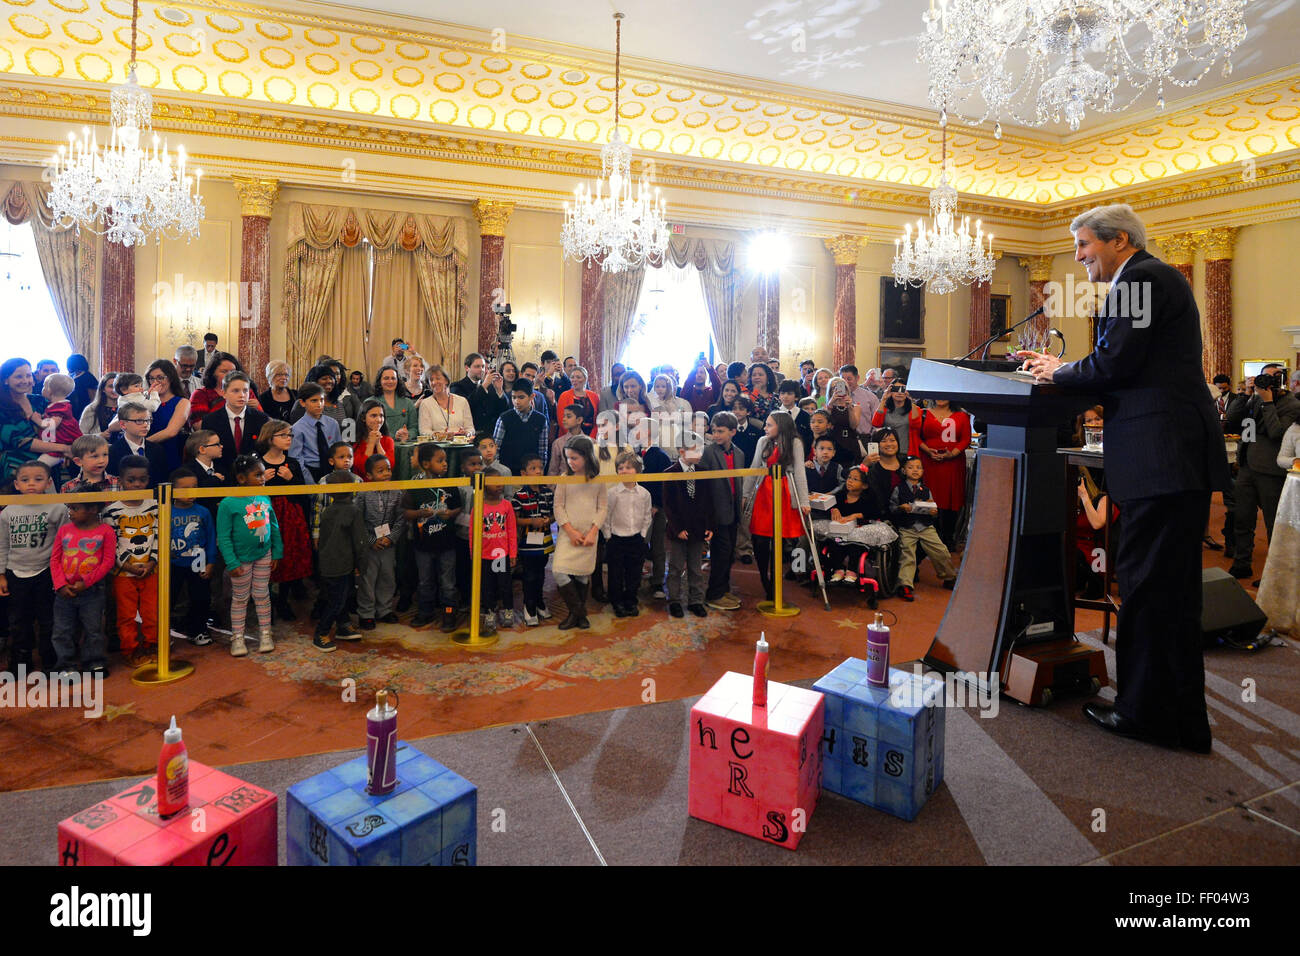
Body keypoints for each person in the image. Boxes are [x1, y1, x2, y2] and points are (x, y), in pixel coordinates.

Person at [1016, 202, 1230, 753]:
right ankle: (1177, 718)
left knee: (1148, 588)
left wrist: (1057, 370)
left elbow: (1112, 366)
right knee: (1166, 592)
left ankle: (1149, 716)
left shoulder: (1141, 279)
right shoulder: (1150, 279)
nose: (1080, 256)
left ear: (1118, 240)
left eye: (1085, 245)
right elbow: (1122, 364)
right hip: (1171, 458)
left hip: (1162, 458)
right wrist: (1060, 371)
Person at [1223, 363, 1299, 578]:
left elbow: (1277, 433)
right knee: (1242, 519)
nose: (1268, 382)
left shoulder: (1291, 405)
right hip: (1247, 467)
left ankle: (1277, 574)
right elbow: (1235, 421)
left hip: (1271, 472)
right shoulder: (1254, 399)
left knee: (1274, 524)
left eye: (1274, 378)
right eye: (1264, 377)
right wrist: (1245, 394)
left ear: (1283, 380)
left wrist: (1267, 403)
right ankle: (1241, 563)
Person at [0, 460, 66, 671]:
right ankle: (20, 662)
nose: (31, 484)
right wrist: (1, 574)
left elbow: (64, 544)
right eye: (25, 480)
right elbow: (2, 545)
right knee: (19, 620)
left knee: (49, 619)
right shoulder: (8, 512)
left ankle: (50, 661)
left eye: (38, 480)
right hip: (15, 573)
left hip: (46, 572)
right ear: (17, 484)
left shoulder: (58, 508)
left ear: (48, 482)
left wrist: (61, 573)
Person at [217, 455, 282, 657]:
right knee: (240, 598)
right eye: (258, 475)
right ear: (242, 478)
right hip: (240, 559)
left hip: (264, 554)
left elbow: (274, 526)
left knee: (262, 595)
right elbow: (224, 537)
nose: (263, 478)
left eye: (263, 474)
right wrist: (231, 561)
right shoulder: (228, 503)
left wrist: (277, 551)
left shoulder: (264, 497)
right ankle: (237, 637)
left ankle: (265, 633)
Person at [743, 410, 810, 603]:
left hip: (784, 490)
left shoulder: (795, 442)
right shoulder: (763, 441)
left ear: (781, 426)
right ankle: (765, 579)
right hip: (764, 492)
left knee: (779, 540)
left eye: (769, 424)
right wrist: (746, 494)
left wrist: (803, 502)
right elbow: (754, 467)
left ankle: (777, 580)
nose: (765, 427)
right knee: (760, 539)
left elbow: (799, 472)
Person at [103, 457, 160, 666]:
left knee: (152, 613)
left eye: (142, 480)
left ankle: (152, 645)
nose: (137, 484)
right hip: (123, 574)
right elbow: (112, 544)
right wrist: (127, 566)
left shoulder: (155, 506)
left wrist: (152, 563)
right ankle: (131, 650)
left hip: (151, 571)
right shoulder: (111, 511)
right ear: (121, 481)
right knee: (126, 615)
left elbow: (159, 536)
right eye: (131, 480)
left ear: (148, 480)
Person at [50, 500, 115, 677]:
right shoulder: (64, 530)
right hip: (64, 592)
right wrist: (60, 585)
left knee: (93, 629)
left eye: (75, 508)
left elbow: (108, 562)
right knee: (62, 630)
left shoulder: (106, 531)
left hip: (92, 591)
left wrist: (86, 582)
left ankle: (94, 662)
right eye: (69, 507)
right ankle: (66, 666)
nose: (70, 512)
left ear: (93, 509)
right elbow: (55, 559)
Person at [256, 419, 311, 620]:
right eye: (284, 435)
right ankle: (267, 599)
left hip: (290, 515)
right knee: (265, 557)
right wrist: (263, 482)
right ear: (270, 438)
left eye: (290, 435)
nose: (289, 439)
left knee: (288, 556)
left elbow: (301, 494)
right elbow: (246, 492)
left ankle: (283, 600)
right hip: (265, 513)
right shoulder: (257, 462)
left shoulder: (293, 463)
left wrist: (291, 479)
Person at [403, 443, 462, 631]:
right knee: (425, 581)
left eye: (445, 460)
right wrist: (419, 512)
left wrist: (451, 514)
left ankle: (449, 613)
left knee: (448, 582)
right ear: (426, 464)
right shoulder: (415, 486)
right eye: (440, 461)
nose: (445, 464)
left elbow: (458, 507)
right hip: (423, 545)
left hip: (447, 544)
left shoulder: (450, 484)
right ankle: (425, 611)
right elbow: (405, 512)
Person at [552, 435, 608, 630]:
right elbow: (558, 507)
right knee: (559, 571)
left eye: (574, 458)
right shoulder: (564, 479)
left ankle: (575, 615)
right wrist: (570, 531)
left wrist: (593, 531)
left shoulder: (598, 480)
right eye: (567, 458)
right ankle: (580, 613)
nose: (570, 462)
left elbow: (602, 508)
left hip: (589, 534)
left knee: (583, 574)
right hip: (569, 534)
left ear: (587, 456)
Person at [890, 456, 957, 601]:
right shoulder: (899, 489)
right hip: (907, 527)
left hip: (925, 526)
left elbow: (933, 509)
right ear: (903, 470)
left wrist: (933, 511)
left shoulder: (926, 490)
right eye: (911, 467)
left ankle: (949, 577)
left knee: (941, 551)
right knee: (907, 554)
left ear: (923, 471)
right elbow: (892, 508)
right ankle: (905, 585)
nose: (915, 470)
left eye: (918, 467)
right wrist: (901, 507)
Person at [315, 471, 367, 648]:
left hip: (327, 562)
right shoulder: (353, 511)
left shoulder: (328, 511)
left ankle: (343, 626)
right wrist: (362, 564)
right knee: (337, 601)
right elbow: (360, 542)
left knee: (341, 597)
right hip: (342, 564)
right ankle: (321, 633)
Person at [701, 411, 746, 611]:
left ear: (733, 432)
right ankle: (714, 594)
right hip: (716, 512)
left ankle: (723, 589)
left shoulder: (739, 453)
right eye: (714, 431)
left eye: (721, 431)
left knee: (729, 555)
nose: (716, 435)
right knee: (721, 553)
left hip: (733, 511)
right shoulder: (708, 452)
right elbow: (704, 485)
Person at [1, 359, 71, 488]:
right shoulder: (2, 407)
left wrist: (64, 452)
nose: (25, 381)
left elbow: (60, 428)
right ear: (6, 380)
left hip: (49, 463)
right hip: (14, 468)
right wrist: (63, 449)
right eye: (19, 376)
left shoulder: (39, 401)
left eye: (28, 375)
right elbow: (19, 441)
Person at [662, 439, 713, 618]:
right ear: (682, 452)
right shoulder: (669, 473)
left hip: (698, 528)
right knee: (675, 566)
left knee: (695, 567)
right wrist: (677, 529)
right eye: (695, 450)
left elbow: (708, 501)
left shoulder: (703, 473)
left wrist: (709, 525)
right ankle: (674, 600)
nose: (700, 454)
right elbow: (668, 505)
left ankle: (695, 601)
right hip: (679, 529)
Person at [168, 468, 216, 646]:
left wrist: (210, 562)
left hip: (198, 561)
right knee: (170, 598)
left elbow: (211, 537)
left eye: (194, 487)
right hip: (173, 563)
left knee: (201, 597)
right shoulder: (166, 511)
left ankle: (198, 629)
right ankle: (164, 633)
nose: (190, 492)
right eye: (184, 488)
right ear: (172, 489)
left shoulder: (203, 512)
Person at [603, 451, 652, 618]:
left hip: (636, 538)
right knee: (615, 573)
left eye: (629, 467)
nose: (624, 471)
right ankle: (616, 601)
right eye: (620, 468)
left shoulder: (644, 494)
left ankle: (631, 600)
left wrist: (643, 534)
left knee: (634, 572)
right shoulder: (612, 493)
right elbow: (606, 516)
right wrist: (608, 535)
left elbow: (647, 515)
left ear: (638, 470)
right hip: (616, 539)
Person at [918, 398, 972, 549]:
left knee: (951, 498)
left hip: (953, 463)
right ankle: (930, 539)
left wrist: (952, 453)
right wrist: (928, 451)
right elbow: (915, 436)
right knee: (930, 497)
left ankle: (948, 538)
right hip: (929, 463)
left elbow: (966, 438)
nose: (941, 397)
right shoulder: (923, 414)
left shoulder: (961, 415)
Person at [511, 452, 555, 626]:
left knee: (541, 573)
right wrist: (530, 521)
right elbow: (514, 519)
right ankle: (528, 606)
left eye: (540, 468)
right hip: (528, 543)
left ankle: (539, 602)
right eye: (533, 468)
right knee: (529, 575)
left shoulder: (547, 493)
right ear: (523, 473)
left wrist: (548, 520)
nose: (538, 472)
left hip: (544, 541)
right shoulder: (519, 495)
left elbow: (553, 515)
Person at [202, 371, 268, 480]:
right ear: (224, 393)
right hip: (222, 476)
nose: (242, 395)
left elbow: (264, 450)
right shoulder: (210, 420)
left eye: (245, 391)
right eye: (236, 391)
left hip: (253, 478)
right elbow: (208, 454)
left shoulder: (261, 419)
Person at [478, 478, 518, 634]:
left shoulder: (506, 506)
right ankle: (489, 613)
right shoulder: (479, 506)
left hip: (501, 555)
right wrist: (474, 555)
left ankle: (508, 610)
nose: (500, 484)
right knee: (487, 587)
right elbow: (473, 532)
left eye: (501, 481)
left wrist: (513, 553)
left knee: (504, 585)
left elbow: (512, 531)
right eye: (495, 482)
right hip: (485, 555)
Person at [826, 466, 877, 585]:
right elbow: (831, 507)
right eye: (849, 478)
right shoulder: (840, 496)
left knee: (855, 546)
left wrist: (856, 515)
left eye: (855, 479)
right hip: (841, 534)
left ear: (864, 485)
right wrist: (834, 510)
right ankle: (838, 570)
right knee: (834, 544)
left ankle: (852, 571)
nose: (850, 481)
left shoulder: (867, 500)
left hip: (859, 535)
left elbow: (874, 513)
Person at [107, 396, 168, 487]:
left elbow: (162, 479)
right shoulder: (113, 452)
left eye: (148, 420)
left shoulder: (157, 449)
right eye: (139, 421)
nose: (145, 425)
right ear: (123, 424)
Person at [492, 378, 549, 475]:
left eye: (521, 397)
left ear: (532, 397)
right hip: (507, 472)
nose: (517, 402)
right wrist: (499, 471)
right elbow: (496, 448)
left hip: (531, 474)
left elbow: (542, 451)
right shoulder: (504, 418)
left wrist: (539, 471)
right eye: (513, 397)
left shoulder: (541, 420)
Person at [143, 360, 191, 473]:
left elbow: (171, 432)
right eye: (151, 378)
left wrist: (142, 444)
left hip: (168, 452)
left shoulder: (182, 402)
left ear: (170, 378)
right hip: (144, 456)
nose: (155, 382)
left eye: (160, 378)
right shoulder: (144, 400)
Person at [289, 382, 341, 481]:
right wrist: (310, 483)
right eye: (314, 401)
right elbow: (296, 459)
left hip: (333, 469)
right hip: (311, 471)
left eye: (322, 400)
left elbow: (339, 450)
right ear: (302, 403)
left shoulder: (333, 424)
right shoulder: (297, 428)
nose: (319, 404)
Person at [36, 373, 81, 476]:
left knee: (39, 467)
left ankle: (49, 491)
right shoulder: (56, 405)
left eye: (44, 386)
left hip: (59, 446)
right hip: (57, 444)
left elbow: (52, 424)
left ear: (50, 390)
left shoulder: (60, 407)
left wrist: (37, 419)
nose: (42, 388)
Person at [451, 353, 508, 435]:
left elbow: (503, 410)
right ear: (467, 368)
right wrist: (484, 386)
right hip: (469, 433)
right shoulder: (457, 386)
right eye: (477, 366)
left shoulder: (491, 387)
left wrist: (499, 390)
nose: (481, 370)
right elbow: (466, 406)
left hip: (489, 433)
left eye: (483, 366)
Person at [871, 380, 923, 456]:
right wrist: (884, 399)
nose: (899, 392)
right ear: (891, 391)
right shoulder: (884, 408)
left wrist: (911, 399)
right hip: (887, 451)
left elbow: (916, 425)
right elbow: (876, 423)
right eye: (896, 389)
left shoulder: (915, 409)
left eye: (903, 389)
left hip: (907, 451)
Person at [418, 365, 473, 436]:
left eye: (438, 378)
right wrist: (440, 435)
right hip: (436, 445)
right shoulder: (425, 403)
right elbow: (424, 431)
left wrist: (467, 433)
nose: (434, 382)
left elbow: (470, 428)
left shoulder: (462, 401)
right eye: (431, 380)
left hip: (461, 444)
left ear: (446, 380)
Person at [823, 376, 864, 469]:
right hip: (833, 443)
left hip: (850, 443)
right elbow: (825, 425)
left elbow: (854, 426)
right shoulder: (827, 407)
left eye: (841, 387)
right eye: (834, 388)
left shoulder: (855, 407)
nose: (837, 390)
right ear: (830, 391)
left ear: (846, 389)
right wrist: (831, 403)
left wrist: (849, 407)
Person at [353, 399, 395, 479]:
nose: (379, 420)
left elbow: (389, 467)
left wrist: (378, 443)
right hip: (362, 487)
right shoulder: (355, 441)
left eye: (381, 416)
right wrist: (371, 444)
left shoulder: (388, 441)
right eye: (373, 416)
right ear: (363, 418)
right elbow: (363, 469)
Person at [555, 365, 600, 437]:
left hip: (591, 436)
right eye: (572, 377)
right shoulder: (564, 396)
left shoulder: (594, 396)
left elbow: (597, 419)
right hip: (570, 436)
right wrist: (574, 437)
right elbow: (561, 420)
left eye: (578, 377)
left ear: (585, 379)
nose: (574, 380)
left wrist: (592, 437)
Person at [840, 365, 881, 436]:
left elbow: (876, 421)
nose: (846, 382)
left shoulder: (870, 397)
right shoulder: (837, 397)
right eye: (843, 379)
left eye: (849, 379)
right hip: (842, 437)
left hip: (863, 437)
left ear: (857, 378)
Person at [79, 373, 119, 437]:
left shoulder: (127, 409)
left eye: (117, 386)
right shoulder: (91, 409)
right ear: (103, 389)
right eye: (111, 386)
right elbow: (81, 436)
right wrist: (100, 435)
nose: (115, 390)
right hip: (97, 445)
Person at [550, 405, 586, 476]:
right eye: (564, 416)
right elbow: (553, 470)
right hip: (564, 484)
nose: (564, 419)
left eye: (568, 416)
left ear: (579, 420)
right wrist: (552, 487)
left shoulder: (592, 442)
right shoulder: (558, 443)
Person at [66, 353, 98, 420]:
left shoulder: (88, 377)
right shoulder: (70, 377)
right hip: (71, 409)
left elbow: (93, 397)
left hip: (84, 409)